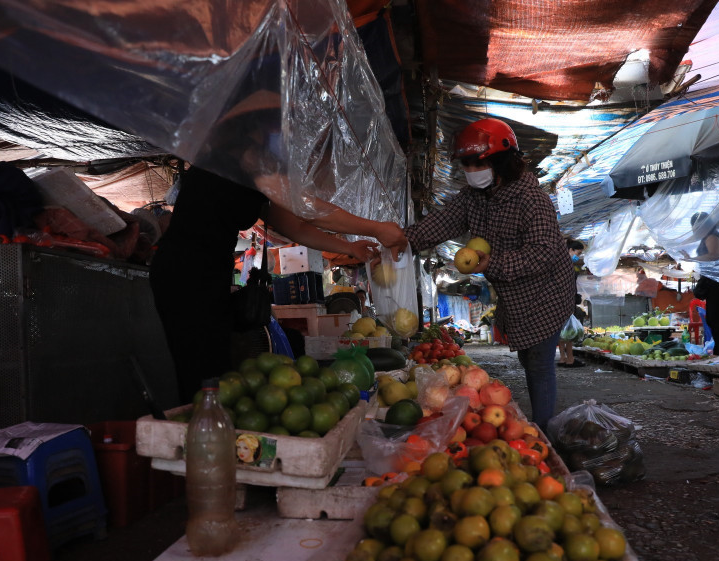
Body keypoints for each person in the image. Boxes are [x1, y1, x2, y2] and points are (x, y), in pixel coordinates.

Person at [150, 92, 406, 404]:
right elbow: (306, 207)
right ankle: (198, 424)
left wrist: (349, 247)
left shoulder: (252, 168)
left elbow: (294, 225)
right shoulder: (247, 158)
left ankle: (206, 420)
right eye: (284, 124)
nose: (289, 133)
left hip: (208, 273)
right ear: (258, 125)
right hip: (184, 271)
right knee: (200, 367)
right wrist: (375, 228)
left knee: (211, 363)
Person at [397, 118, 576, 426]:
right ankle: (541, 424)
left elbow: (543, 253)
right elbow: (443, 222)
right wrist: (403, 241)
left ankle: (544, 431)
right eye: (466, 164)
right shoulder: (475, 197)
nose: (470, 170)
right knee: (528, 357)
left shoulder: (532, 200)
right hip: (516, 295)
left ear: (502, 161)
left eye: (476, 163)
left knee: (538, 364)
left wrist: (491, 264)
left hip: (548, 293)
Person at [689, 211, 719, 356]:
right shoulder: (706, 237)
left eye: (697, 228)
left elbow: (713, 255)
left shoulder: (712, 236)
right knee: (713, 318)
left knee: (715, 318)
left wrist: (693, 259)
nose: (695, 231)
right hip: (714, 281)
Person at [558, 239, 586, 367]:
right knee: (569, 331)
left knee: (562, 331)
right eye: (578, 253)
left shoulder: (561, 263)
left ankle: (563, 358)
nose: (578, 256)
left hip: (560, 302)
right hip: (566, 303)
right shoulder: (567, 265)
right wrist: (574, 297)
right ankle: (570, 359)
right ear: (570, 250)